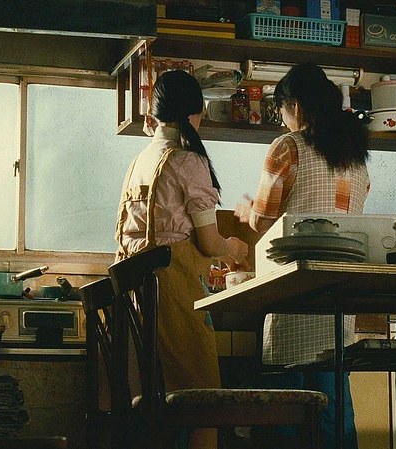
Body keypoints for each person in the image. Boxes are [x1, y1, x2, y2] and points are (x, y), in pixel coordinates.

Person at [234, 62, 370, 449]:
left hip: (293, 290)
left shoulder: (288, 147)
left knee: (285, 411)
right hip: (337, 294)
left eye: (282, 112)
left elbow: (263, 220)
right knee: (334, 409)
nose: (283, 121)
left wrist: (246, 210)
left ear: (294, 105)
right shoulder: (355, 155)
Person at [115, 69, 250, 449]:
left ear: (154, 113)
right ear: (196, 113)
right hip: (173, 293)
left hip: (138, 299)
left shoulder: (140, 160)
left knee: (158, 411)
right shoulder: (187, 160)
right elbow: (208, 242)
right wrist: (234, 249)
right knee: (206, 405)